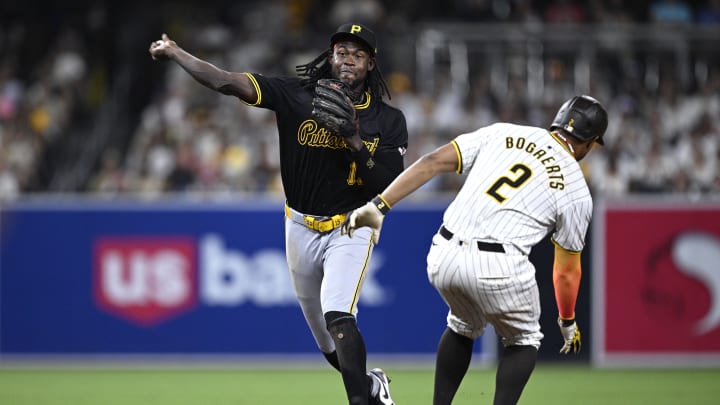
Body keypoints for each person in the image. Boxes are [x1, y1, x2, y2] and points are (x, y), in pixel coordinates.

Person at [149, 23, 408, 405]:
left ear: (370, 63)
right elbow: (225, 81)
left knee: (339, 316)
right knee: (325, 340)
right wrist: (175, 52)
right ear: (330, 57)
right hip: (300, 226)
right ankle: (372, 386)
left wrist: (354, 138)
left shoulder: (387, 120)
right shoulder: (296, 94)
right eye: (342, 52)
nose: (348, 59)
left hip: (352, 226)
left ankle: (359, 401)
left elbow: (387, 184)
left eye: (358, 54)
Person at [342, 95, 608, 404]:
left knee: (462, 325)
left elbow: (432, 162)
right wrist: (567, 320)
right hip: (499, 265)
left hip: (443, 252)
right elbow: (565, 270)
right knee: (524, 340)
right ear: (589, 143)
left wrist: (379, 205)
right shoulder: (576, 188)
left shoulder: (504, 132)